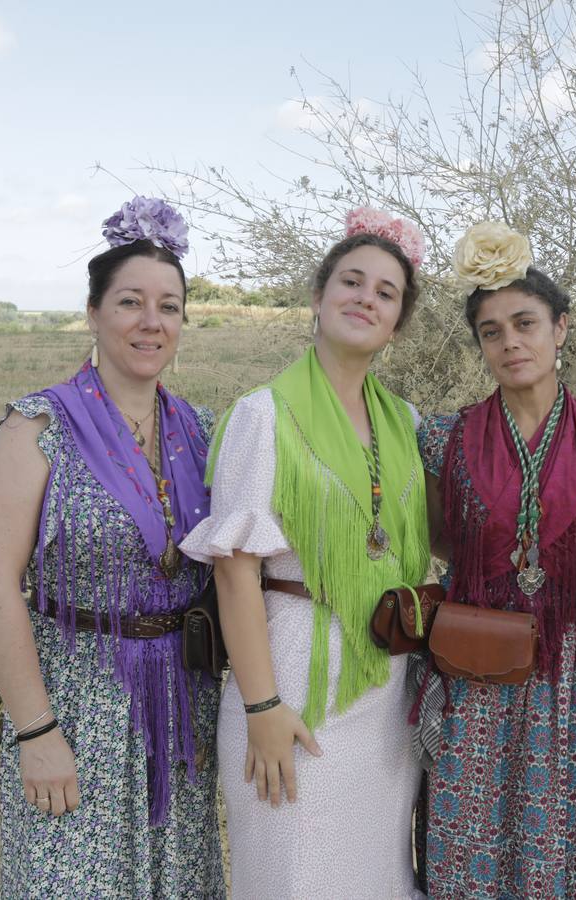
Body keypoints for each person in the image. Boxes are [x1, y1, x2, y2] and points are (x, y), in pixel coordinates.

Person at [0, 197, 223, 897]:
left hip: (181, 710)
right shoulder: (36, 430)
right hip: (78, 708)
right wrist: (35, 731)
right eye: (131, 302)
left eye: (169, 307)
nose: (152, 322)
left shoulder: (201, 431)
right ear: (92, 312)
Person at [179, 208, 430, 897]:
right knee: (296, 877)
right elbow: (236, 570)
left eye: (387, 292)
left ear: (398, 322)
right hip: (293, 681)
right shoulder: (263, 415)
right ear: (317, 297)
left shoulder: (403, 423)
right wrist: (262, 708)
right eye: (351, 281)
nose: (366, 299)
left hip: (382, 693)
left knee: (376, 877)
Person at [416, 222, 576, 898]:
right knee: (471, 852)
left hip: (575, 678)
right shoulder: (445, 439)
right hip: (477, 674)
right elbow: (442, 546)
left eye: (525, 323)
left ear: (560, 329)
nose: (511, 342)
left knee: (566, 854)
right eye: (491, 331)